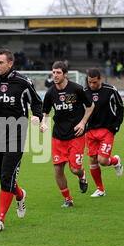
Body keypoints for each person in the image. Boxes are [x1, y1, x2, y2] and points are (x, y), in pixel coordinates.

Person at [0, 48, 43, 231]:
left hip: (17, 133)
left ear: (10, 63)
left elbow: (36, 102)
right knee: (3, 177)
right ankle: (20, 195)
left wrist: (37, 116)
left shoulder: (23, 82)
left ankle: (0, 219)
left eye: (0, 63)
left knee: (7, 176)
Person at [40, 61, 95, 207]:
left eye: (58, 73)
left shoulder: (76, 89)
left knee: (74, 168)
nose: (55, 75)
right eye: (53, 72)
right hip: (58, 135)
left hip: (76, 134)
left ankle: (82, 175)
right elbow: (46, 111)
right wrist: (44, 123)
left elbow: (90, 106)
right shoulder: (50, 92)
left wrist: (83, 123)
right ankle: (68, 199)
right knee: (58, 169)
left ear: (65, 74)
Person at [84, 68, 124, 197]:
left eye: (94, 82)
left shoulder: (110, 90)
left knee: (102, 160)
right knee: (92, 160)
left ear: (100, 79)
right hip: (91, 130)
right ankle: (100, 189)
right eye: (89, 82)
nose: (92, 85)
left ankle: (115, 161)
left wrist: (116, 125)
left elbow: (120, 107)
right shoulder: (84, 92)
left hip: (107, 129)